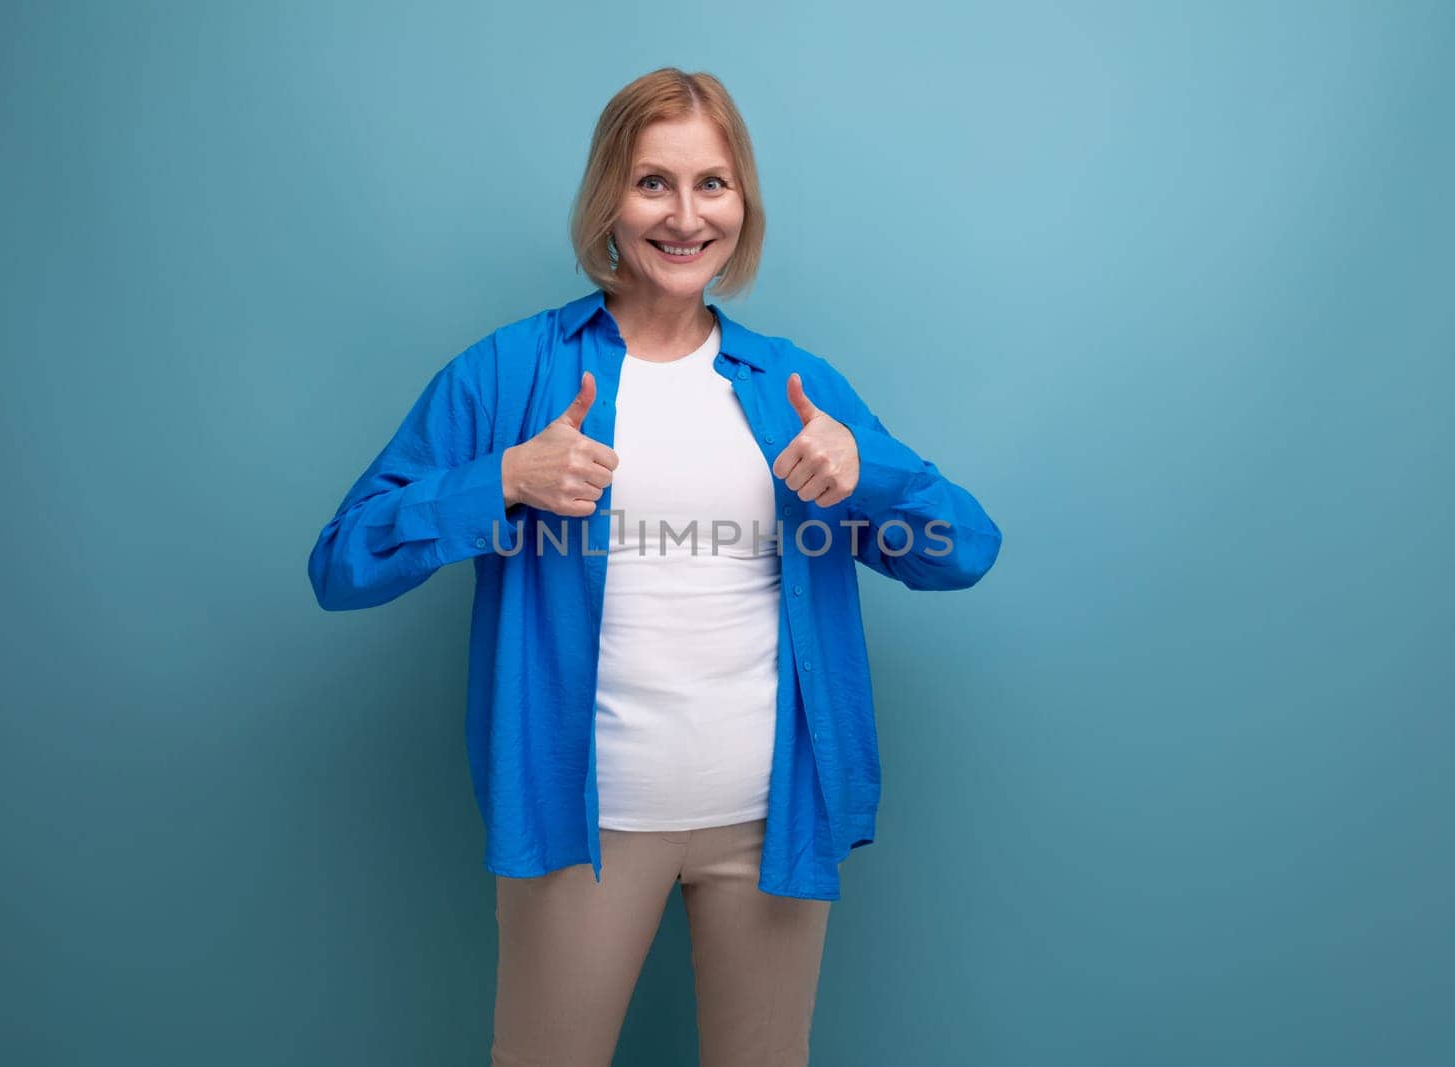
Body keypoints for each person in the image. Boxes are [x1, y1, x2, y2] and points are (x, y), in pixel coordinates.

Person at [308, 66, 1002, 1067]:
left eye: (711, 183)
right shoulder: (509, 372)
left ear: (743, 203)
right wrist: (502, 476)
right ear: (608, 202)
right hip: (580, 820)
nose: (685, 215)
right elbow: (343, 561)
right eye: (652, 183)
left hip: (772, 820)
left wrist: (870, 476)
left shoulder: (790, 384)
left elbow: (962, 549)